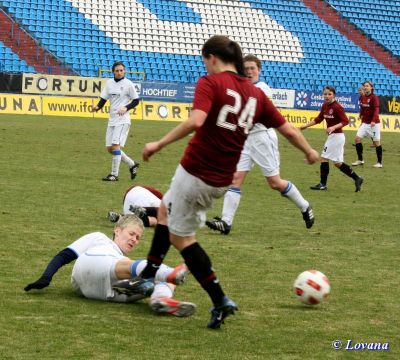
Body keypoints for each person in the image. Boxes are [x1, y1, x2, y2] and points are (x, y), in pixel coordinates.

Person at [121, 35, 319, 329]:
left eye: (205, 60)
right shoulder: (256, 94)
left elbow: (196, 121)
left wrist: (158, 144)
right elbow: (288, 129)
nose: (205, 65)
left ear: (212, 57)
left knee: (183, 239)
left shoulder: (210, 83)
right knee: (164, 210)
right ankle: (149, 275)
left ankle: (219, 299)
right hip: (221, 178)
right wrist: (309, 151)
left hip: (196, 171)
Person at [206, 54, 314, 235]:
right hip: (244, 139)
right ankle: (226, 222)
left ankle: (305, 206)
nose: (249, 72)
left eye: (252, 69)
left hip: (262, 138)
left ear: (259, 71)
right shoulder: (239, 87)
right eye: (246, 69)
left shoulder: (262, 88)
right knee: (235, 179)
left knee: (275, 183)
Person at [24, 214, 195, 317]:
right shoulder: (100, 239)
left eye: (138, 238)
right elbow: (65, 255)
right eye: (131, 234)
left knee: (156, 281)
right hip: (90, 267)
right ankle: (170, 273)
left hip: (102, 293)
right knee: (140, 267)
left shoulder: (121, 260)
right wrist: (46, 276)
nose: (134, 239)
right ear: (117, 230)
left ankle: (160, 299)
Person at [300, 86, 363, 192]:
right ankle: (357, 178)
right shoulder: (325, 105)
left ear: (334, 95)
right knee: (338, 163)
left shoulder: (337, 107)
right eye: (325, 94)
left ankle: (322, 184)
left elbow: (345, 121)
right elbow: (319, 119)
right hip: (334, 137)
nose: (327, 96)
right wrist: (305, 126)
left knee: (324, 158)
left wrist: (333, 127)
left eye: (329, 94)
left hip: (337, 137)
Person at [91, 61, 140, 181]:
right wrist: (97, 107)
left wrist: (126, 107)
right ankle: (132, 164)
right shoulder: (109, 83)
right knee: (110, 148)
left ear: (124, 71)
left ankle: (114, 175)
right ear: (113, 71)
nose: (119, 72)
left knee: (115, 146)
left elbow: (136, 101)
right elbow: (103, 98)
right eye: (117, 70)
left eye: (121, 70)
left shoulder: (128, 84)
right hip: (112, 119)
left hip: (123, 120)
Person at [352, 80, 382, 168]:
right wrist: (360, 115)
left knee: (376, 143)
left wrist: (373, 120)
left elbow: (376, 109)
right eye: (364, 86)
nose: (365, 87)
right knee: (357, 139)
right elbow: (362, 108)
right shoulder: (362, 97)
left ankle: (379, 163)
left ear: (371, 88)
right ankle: (360, 160)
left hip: (374, 123)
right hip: (365, 123)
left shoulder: (374, 97)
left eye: (367, 86)